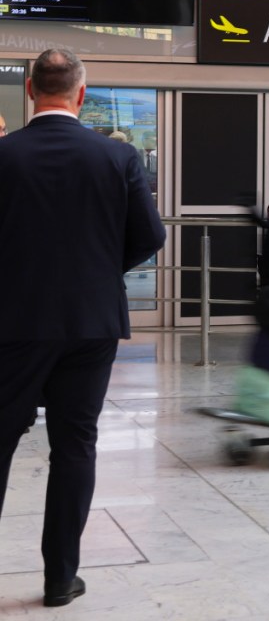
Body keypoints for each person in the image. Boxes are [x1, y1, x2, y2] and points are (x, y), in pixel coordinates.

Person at [0, 49, 166, 607]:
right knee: (75, 446)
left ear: (29, 90)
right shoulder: (116, 158)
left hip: (13, 321)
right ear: (81, 94)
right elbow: (150, 236)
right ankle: (58, 578)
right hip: (91, 322)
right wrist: (97, 273)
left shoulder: (4, 155)